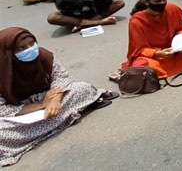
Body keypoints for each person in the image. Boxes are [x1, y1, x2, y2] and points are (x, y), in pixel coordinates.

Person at [0, 27, 116, 167]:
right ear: (7, 52)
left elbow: (60, 77)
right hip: (20, 111)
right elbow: (2, 109)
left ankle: (50, 121)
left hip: (52, 98)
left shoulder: (44, 56)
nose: (30, 49)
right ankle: (66, 115)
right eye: (21, 48)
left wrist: (54, 101)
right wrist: (40, 105)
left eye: (32, 44)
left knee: (81, 88)